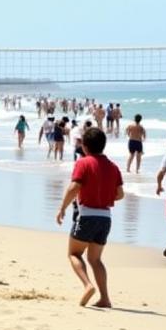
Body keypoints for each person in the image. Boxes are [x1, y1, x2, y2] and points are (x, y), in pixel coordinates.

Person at [56, 126, 123, 307]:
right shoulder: (113, 167)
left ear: (84, 146)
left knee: (74, 253)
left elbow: (74, 187)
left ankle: (87, 285)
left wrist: (62, 208)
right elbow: (120, 194)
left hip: (86, 216)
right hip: (105, 218)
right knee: (95, 259)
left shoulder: (83, 163)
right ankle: (105, 298)